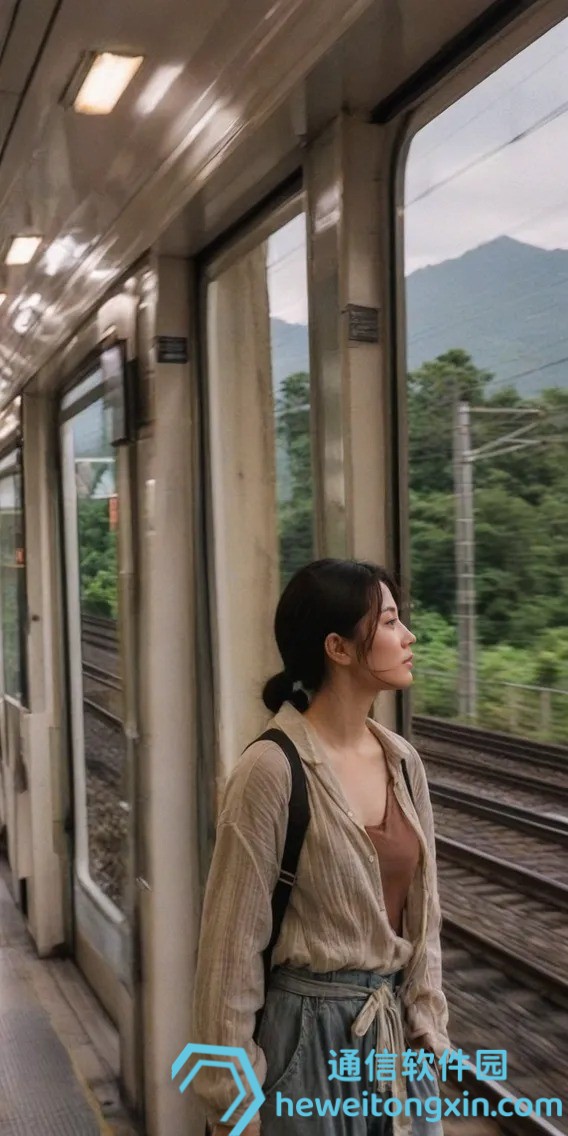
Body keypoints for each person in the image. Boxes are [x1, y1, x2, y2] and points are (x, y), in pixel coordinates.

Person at [192, 558, 450, 1135]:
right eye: (390, 622)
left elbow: (424, 920)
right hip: (303, 1045)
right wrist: (234, 1104)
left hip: (394, 1045)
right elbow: (229, 953)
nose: (408, 636)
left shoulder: (403, 763)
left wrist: (429, 1030)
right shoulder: (270, 769)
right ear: (338, 648)